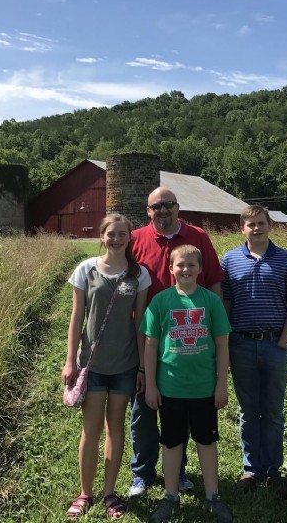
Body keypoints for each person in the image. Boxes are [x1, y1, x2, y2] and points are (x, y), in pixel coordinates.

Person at [128, 187, 225, 497]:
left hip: (188, 338)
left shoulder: (198, 236)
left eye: (168, 204)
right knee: (143, 406)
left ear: (177, 207)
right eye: (156, 206)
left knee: (179, 408)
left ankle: (179, 471)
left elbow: (214, 282)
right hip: (146, 335)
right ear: (148, 211)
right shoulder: (137, 239)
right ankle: (142, 473)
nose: (163, 210)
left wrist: (213, 328)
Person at [62, 214, 151, 519]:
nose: (116, 239)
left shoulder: (140, 275)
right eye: (111, 234)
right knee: (92, 429)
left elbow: (140, 322)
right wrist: (70, 359)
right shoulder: (85, 269)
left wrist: (141, 367)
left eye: (122, 234)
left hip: (125, 364)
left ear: (130, 237)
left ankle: (109, 494)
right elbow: (76, 318)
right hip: (93, 364)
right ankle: (85, 493)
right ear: (102, 236)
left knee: (116, 427)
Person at [220, 205, 287, 497]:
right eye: (250, 224)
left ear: (270, 225)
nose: (256, 228)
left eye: (261, 223)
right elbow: (226, 306)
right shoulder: (230, 260)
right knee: (247, 411)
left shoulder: (286, 260)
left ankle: (272, 471)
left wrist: (283, 342)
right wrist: (227, 343)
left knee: (272, 411)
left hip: (274, 344)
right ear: (242, 228)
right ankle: (250, 469)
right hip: (241, 344)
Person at [142, 244, 233, 523]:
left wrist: (221, 384)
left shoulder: (211, 301)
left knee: (206, 440)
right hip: (170, 387)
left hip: (204, 388)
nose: (185, 269)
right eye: (180, 265)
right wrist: (151, 385)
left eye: (191, 265)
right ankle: (170, 495)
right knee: (171, 442)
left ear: (200, 269)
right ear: (170, 269)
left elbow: (221, 344)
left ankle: (212, 495)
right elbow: (150, 344)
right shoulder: (160, 302)